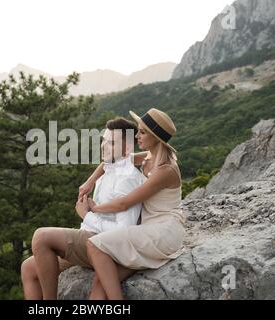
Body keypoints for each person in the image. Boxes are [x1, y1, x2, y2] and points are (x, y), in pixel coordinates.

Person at [21, 117, 144, 300]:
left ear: (126, 150)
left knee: (41, 237)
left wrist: (87, 215)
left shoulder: (127, 179)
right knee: (28, 268)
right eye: (103, 140)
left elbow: (123, 233)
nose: (103, 146)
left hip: (105, 246)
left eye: (111, 143)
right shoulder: (108, 171)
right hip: (90, 238)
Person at [80, 108, 186, 300]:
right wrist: (88, 183)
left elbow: (124, 203)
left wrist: (93, 209)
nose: (136, 135)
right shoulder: (148, 157)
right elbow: (111, 162)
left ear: (155, 137)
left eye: (142, 132)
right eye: (138, 130)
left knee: (94, 245)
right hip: (147, 229)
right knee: (100, 282)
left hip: (163, 231)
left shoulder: (166, 170)